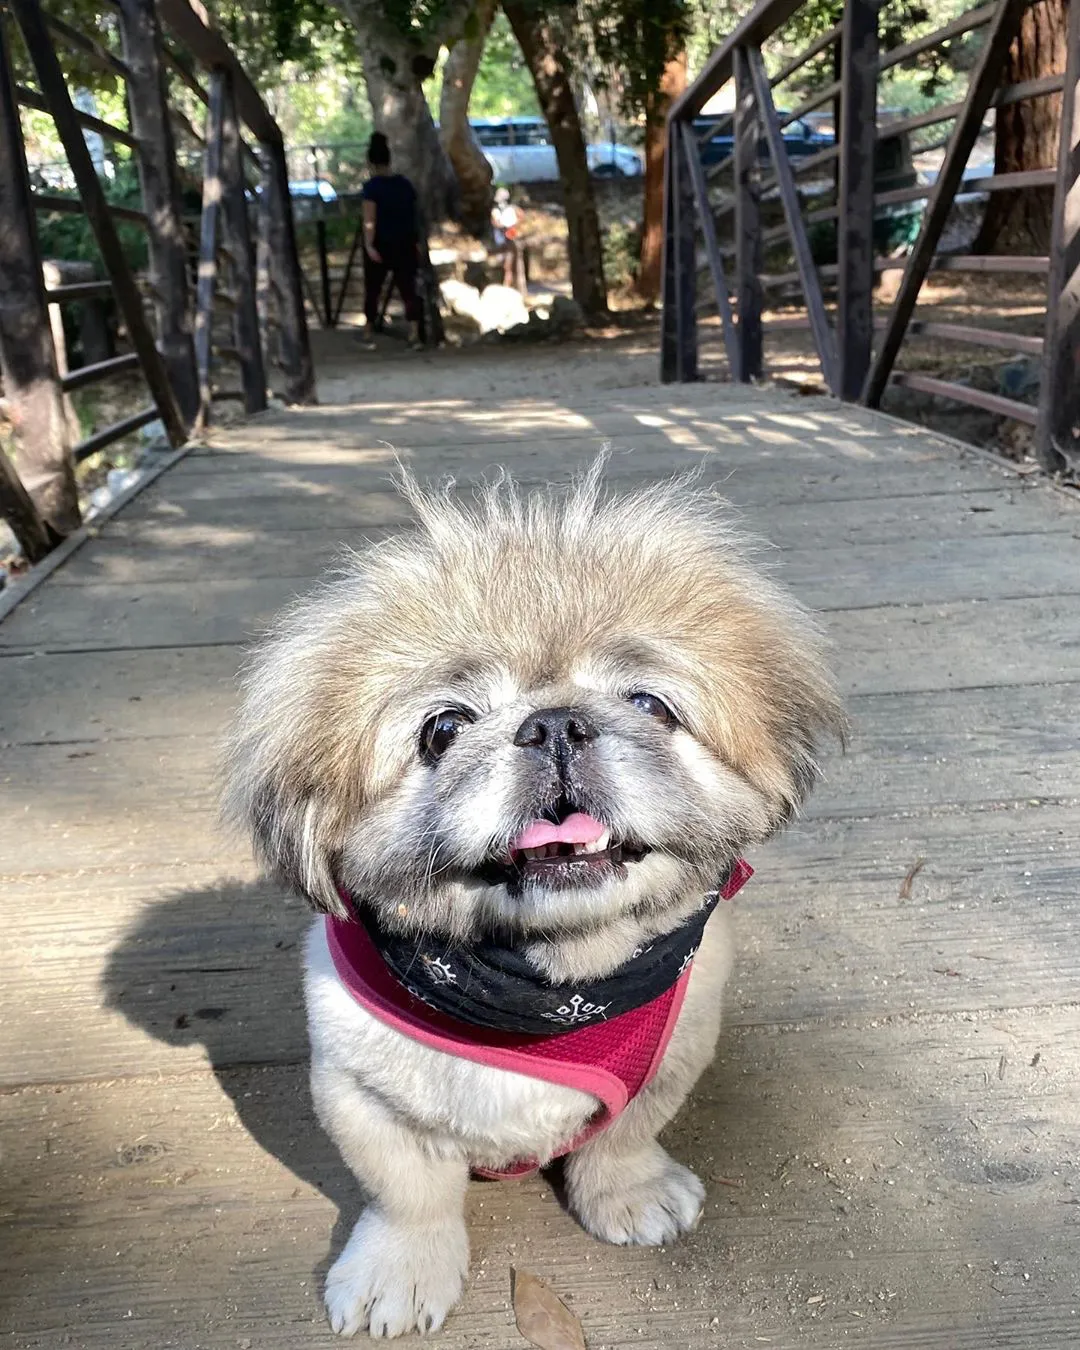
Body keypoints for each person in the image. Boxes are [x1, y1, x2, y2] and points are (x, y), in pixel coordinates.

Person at [360, 132, 423, 348]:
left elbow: (370, 219)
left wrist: (369, 244)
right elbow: (414, 215)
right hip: (405, 242)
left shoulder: (371, 188)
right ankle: (414, 331)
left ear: (370, 162)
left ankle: (368, 329)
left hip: (381, 243)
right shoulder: (405, 185)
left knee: (373, 288)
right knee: (408, 287)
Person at [490, 187, 524, 294]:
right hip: (500, 240)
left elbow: (521, 216)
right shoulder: (496, 211)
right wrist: (502, 225)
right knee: (505, 264)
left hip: (509, 239)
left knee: (509, 265)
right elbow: (495, 222)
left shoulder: (511, 209)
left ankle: (508, 286)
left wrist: (512, 226)